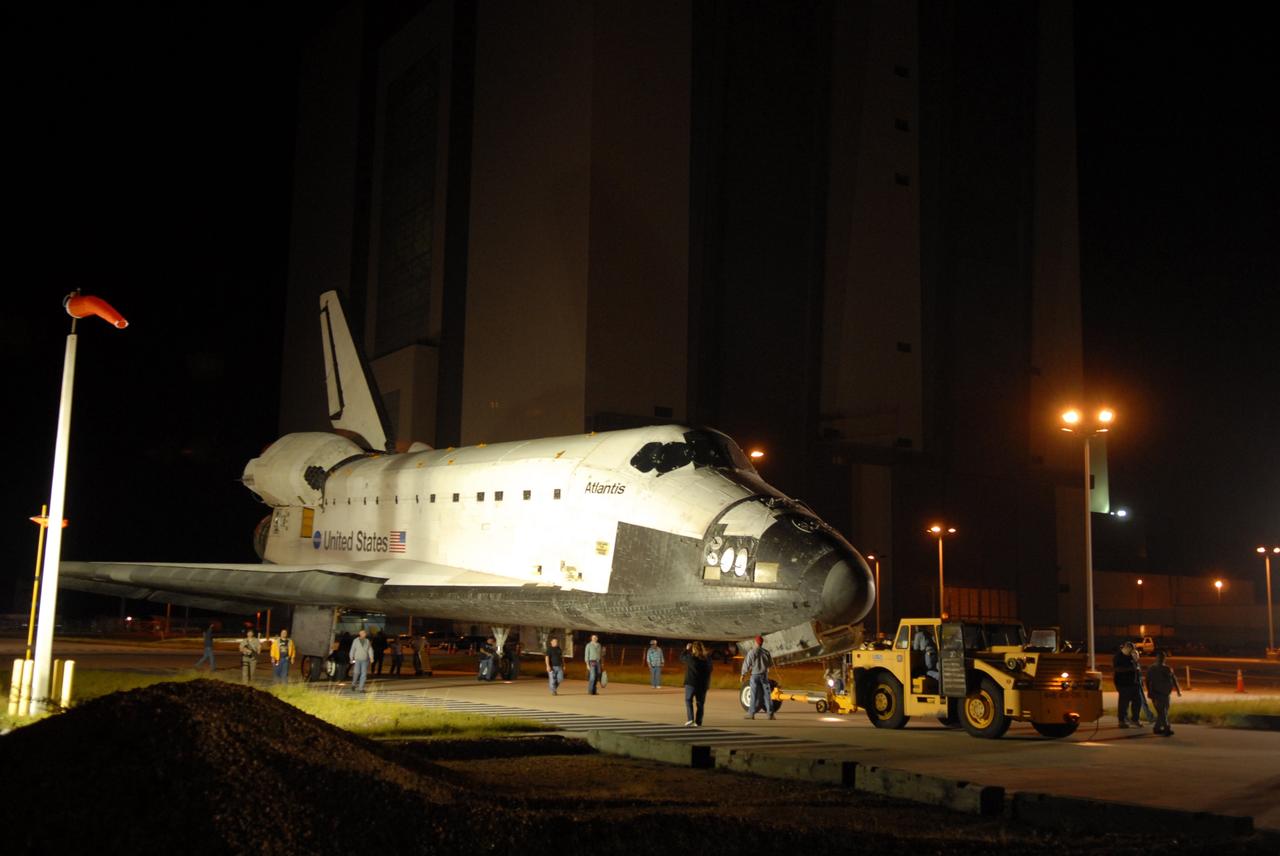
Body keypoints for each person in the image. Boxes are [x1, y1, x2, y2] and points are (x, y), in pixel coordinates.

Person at [1145, 650, 1183, 736]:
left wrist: (1178, 690)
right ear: (1156, 658)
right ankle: (1167, 728)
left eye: (1163, 657)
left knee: (1163, 712)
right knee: (1162, 712)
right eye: (1160, 657)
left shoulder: (1167, 668)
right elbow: (1147, 681)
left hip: (1166, 694)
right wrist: (1149, 692)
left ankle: (1157, 728)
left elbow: (1174, 679)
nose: (1161, 659)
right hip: (1156, 694)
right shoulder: (1152, 669)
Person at [741, 635, 775, 719]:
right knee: (767, 695)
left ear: (755, 642)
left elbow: (747, 664)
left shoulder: (752, 652)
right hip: (764, 676)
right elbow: (770, 664)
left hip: (755, 676)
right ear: (762, 643)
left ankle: (751, 714)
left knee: (754, 695)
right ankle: (770, 714)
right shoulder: (766, 652)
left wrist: (743, 674)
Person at [680, 641, 713, 726]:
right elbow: (711, 669)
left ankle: (690, 718)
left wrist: (686, 649)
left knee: (688, 700)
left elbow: (681, 657)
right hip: (703, 684)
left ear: (694, 649)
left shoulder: (691, 658)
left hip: (691, 683)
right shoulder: (708, 659)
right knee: (700, 703)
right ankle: (698, 722)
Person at [1113, 641, 1142, 727]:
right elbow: (1117, 669)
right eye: (1131, 648)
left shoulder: (1133, 656)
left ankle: (1135, 719)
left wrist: (1139, 680)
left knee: (1137, 702)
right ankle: (1122, 721)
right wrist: (1130, 669)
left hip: (1135, 683)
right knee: (1124, 703)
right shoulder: (1119, 657)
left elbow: (1137, 668)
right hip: (1123, 683)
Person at [1131, 644, 1155, 723]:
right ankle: (1148, 717)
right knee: (1140, 701)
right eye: (1135, 655)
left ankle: (1148, 716)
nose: (1137, 656)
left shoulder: (1137, 663)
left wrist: (1142, 683)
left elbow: (1139, 675)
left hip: (1138, 684)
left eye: (1137, 654)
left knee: (1141, 701)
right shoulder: (1132, 664)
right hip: (1135, 685)